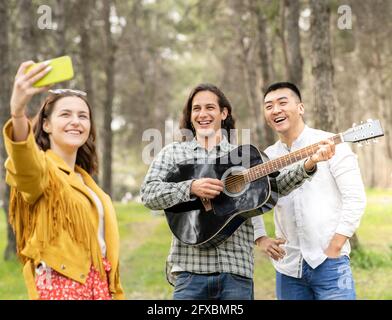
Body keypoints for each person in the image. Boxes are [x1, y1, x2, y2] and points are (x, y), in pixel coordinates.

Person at [140, 83, 335, 300]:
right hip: (189, 270)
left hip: (236, 271)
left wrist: (309, 164)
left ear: (224, 113)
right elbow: (148, 193)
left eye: (210, 108)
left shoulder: (244, 156)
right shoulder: (173, 153)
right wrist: (190, 187)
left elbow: (275, 187)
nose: (202, 114)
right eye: (196, 108)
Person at [3, 61, 124, 300]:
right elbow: (26, 165)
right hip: (62, 287)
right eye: (65, 114)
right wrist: (18, 113)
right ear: (46, 124)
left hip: (97, 286)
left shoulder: (87, 181)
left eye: (83, 116)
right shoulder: (42, 170)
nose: (76, 121)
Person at [257, 81, 366, 300]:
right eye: (269, 106)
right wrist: (261, 238)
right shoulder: (266, 157)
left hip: (330, 263)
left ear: (300, 108)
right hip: (288, 267)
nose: (275, 110)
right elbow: (249, 203)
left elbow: (355, 199)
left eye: (282, 102)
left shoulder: (331, 143)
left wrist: (335, 247)